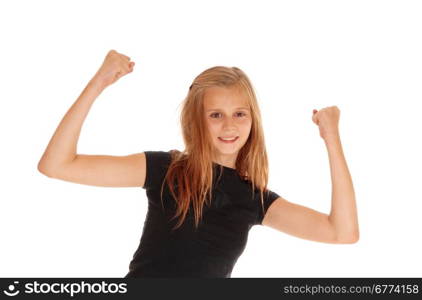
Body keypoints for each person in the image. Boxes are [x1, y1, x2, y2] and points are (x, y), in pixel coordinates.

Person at [37, 49, 359, 278]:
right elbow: (56, 164)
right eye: (216, 115)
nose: (229, 126)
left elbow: (342, 232)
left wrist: (331, 137)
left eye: (239, 114)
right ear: (197, 120)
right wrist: (99, 83)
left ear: (252, 121)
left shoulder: (254, 199)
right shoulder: (166, 170)